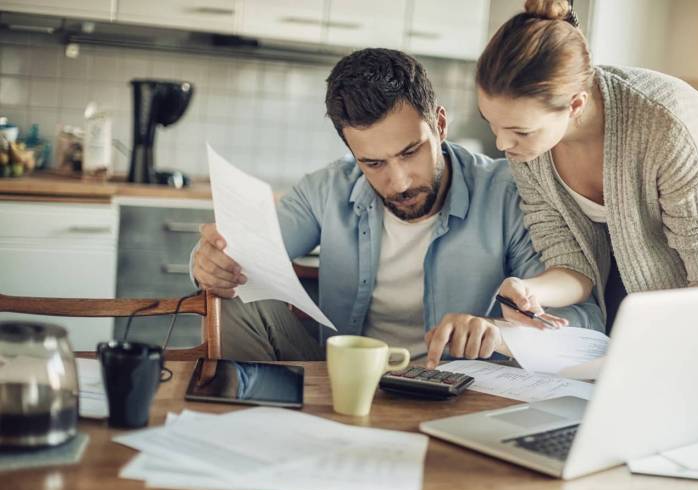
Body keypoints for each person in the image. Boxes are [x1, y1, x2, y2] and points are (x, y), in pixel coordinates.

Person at [474, 0, 698, 419]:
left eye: (518, 131)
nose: (502, 145)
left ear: (576, 106)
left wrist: (645, 355)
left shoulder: (667, 123)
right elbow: (573, 265)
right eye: (492, 125)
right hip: (630, 290)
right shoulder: (530, 149)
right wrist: (533, 291)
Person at [191, 48, 602, 367]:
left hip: (456, 387)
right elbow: (244, 253)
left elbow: (585, 324)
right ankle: (250, 428)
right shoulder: (325, 189)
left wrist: (499, 332)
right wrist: (211, 262)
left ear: (440, 125)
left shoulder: (508, 193)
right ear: (351, 151)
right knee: (232, 295)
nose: (399, 182)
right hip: (340, 376)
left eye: (410, 152)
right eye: (373, 164)